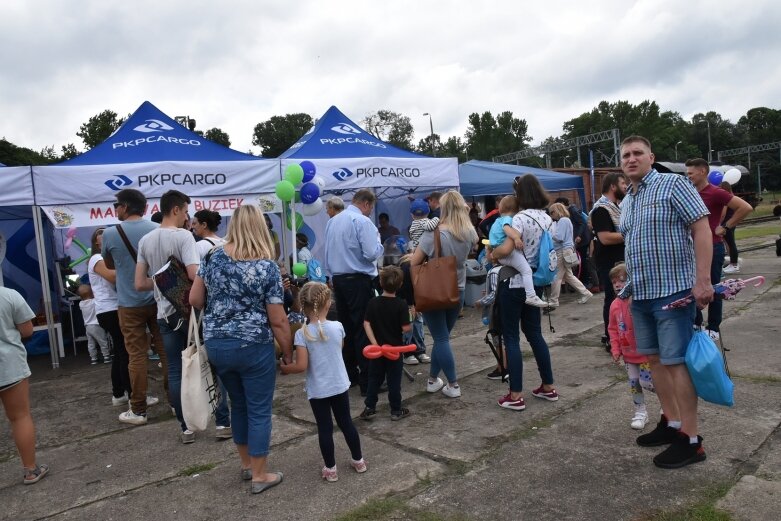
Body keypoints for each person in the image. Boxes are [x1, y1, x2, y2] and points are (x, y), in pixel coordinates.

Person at [619, 135, 713, 469]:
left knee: (675, 363)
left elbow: (702, 229)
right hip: (641, 294)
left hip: (673, 292)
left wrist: (703, 280)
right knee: (654, 362)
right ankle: (671, 423)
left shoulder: (673, 184)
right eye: (626, 155)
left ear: (650, 157)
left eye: (637, 154)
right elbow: (634, 246)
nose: (631, 159)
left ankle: (691, 440)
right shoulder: (627, 199)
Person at [190, 204, 292, 494]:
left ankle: (247, 465)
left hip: (218, 343)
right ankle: (261, 475)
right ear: (260, 227)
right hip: (253, 345)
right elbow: (279, 319)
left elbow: (195, 299)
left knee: (238, 405)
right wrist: (287, 352)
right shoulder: (267, 266)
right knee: (259, 409)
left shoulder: (211, 256)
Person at [280, 282, 367, 482]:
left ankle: (331, 469)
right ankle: (359, 460)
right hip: (339, 384)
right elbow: (339, 347)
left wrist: (286, 367)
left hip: (318, 389)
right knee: (346, 423)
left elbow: (301, 366)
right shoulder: (338, 327)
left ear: (303, 306)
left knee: (325, 428)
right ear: (328, 303)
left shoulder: (303, 334)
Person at [135, 190, 200, 443]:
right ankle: (220, 420)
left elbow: (139, 283)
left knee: (174, 370)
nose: (187, 216)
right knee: (205, 364)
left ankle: (185, 428)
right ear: (175, 210)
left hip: (163, 313)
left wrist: (162, 282)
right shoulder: (184, 236)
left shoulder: (146, 241)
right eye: (185, 211)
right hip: (188, 312)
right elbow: (194, 274)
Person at [494, 175, 558, 411]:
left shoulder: (519, 219)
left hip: (513, 282)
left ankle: (515, 394)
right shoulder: (547, 218)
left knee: (511, 337)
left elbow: (507, 249)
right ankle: (548, 386)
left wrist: (493, 252)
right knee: (535, 334)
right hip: (537, 282)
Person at [101, 188, 164, 425]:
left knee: (135, 356)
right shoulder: (157, 230)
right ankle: (176, 402)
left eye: (117, 205)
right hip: (157, 299)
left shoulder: (110, 233)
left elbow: (109, 263)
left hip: (128, 303)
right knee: (166, 351)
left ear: (125, 207)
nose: (115, 209)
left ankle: (138, 409)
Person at [410, 191, 477, 399]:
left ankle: (453, 384)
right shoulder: (468, 232)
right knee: (443, 338)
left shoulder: (435, 233)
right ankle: (432, 380)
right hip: (459, 288)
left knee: (440, 338)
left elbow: (414, 262)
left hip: (435, 288)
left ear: (443, 208)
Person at [324, 189, 384, 395]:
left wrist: (331, 276)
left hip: (339, 280)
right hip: (358, 280)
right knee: (363, 329)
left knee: (347, 329)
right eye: (371, 208)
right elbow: (370, 254)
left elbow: (327, 252)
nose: (370, 212)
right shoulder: (363, 222)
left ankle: (351, 376)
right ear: (366, 204)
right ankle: (368, 382)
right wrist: (379, 244)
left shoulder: (333, 221)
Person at [685, 159, 752, 339]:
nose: (688, 176)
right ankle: (696, 323)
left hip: (713, 246)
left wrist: (725, 226)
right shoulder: (688, 193)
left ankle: (713, 327)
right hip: (692, 248)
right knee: (692, 286)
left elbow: (744, 207)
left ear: (703, 172)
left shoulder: (715, 192)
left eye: (691, 173)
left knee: (713, 287)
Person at [0, 287, 49, 485]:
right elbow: (27, 330)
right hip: (9, 365)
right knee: (20, 417)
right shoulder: (9, 295)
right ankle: (30, 470)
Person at [360, 266, 412, 421]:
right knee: (394, 380)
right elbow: (406, 329)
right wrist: (411, 319)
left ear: (380, 283)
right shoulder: (401, 305)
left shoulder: (373, 302)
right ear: (400, 284)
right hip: (394, 351)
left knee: (374, 379)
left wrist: (375, 344)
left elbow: (366, 324)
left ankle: (370, 408)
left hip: (377, 351)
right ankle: (395, 410)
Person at [608, 263, 655, 430]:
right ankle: (641, 412)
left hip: (643, 353)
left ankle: (669, 397)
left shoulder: (639, 301)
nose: (618, 285)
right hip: (628, 355)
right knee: (635, 385)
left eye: (622, 280)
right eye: (614, 282)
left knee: (646, 382)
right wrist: (615, 349)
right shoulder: (614, 305)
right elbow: (612, 329)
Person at [89, 227, 133, 406]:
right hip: (109, 309)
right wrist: (131, 267)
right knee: (125, 352)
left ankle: (119, 393)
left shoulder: (107, 258)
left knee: (121, 351)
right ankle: (132, 394)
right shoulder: (97, 258)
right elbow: (111, 277)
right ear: (97, 243)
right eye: (102, 238)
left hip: (112, 308)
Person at [485, 195, 547, 308]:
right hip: (507, 253)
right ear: (516, 210)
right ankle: (531, 295)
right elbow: (507, 229)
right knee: (527, 270)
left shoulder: (497, 221)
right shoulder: (508, 219)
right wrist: (516, 238)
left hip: (498, 251)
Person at [591, 173, 629, 350]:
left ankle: (622, 334)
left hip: (619, 260)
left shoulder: (615, 207)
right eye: (622, 183)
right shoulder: (601, 209)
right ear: (613, 186)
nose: (626, 186)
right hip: (610, 262)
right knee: (613, 299)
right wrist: (631, 234)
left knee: (621, 298)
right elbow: (605, 238)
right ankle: (611, 337)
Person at [547, 202, 593, 307]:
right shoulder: (565, 220)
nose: (551, 215)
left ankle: (554, 300)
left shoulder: (563, 220)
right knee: (568, 276)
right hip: (566, 250)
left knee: (557, 276)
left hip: (562, 250)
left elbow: (559, 237)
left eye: (552, 212)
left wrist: (549, 233)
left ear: (557, 211)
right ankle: (585, 293)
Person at [555, 196, 596, 291]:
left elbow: (582, 222)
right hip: (578, 240)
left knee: (581, 261)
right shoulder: (568, 213)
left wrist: (579, 236)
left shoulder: (572, 210)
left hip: (582, 240)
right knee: (577, 261)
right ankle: (580, 283)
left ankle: (584, 282)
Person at [397, 254, 430, 365]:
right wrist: (411, 304)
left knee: (417, 323)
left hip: (416, 299)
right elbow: (405, 288)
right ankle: (408, 352)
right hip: (406, 299)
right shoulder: (407, 267)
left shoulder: (425, 265)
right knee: (410, 324)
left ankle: (419, 349)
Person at [77, 285, 111, 364]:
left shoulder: (81, 304)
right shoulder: (94, 302)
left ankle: (93, 358)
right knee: (102, 341)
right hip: (96, 325)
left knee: (91, 343)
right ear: (92, 293)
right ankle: (106, 356)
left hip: (87, 327)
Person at [719, 182, 742, 274]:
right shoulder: (732, 197)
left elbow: (723, 213)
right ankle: (733, 263)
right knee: (730, 243)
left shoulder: (725, 199)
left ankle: (734, 264)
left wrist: (719, 223)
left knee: (730, 243)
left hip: (726, 223)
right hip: (731, 222)